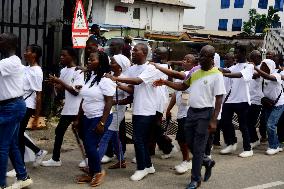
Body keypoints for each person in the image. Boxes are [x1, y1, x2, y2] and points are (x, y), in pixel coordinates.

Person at [154, 45, 226, 189]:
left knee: (198, 147)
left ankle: (195, 179)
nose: (200, 58)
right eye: (200, 55)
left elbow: (219, 99)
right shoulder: (195, 72)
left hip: (206, 114)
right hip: (191, 112)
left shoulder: (217, 74)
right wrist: (165, 82)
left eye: (204, 55)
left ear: (211, 58)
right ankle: (206, 161)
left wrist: (213, 120)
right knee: (187, 141)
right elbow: (182, 86)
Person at [106, 43, 161, 181]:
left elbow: (137, 81)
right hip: (138, 108)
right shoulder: (132, 68)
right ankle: (148, 166)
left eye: (136, 50)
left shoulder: (150, 68)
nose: (132, 52)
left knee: (139, 140)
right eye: (132, 50)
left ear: (144, 52)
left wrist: (116, 79)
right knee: (141, 139)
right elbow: (131, 89)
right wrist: (118, 84)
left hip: (147, 109)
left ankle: (141, 169)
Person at [74, 51, 115, 187]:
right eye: (88, 60)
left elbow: (109, 102)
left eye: (92, 60)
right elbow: (84, 99)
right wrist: (78, 118)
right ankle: (92, 171)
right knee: (87, 144)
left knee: (91, 145)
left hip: (100, 117)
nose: (89, 62)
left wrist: (102, 122)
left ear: (101, 62)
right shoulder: (91, 77)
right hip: (87, 116)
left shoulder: (106, 80)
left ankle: (98, 172)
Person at [0, 33, 33, 189]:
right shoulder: (10, 62)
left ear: (9, 45)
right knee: (12, 144)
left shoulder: (10, 62)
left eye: (1, 39)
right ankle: (23, 177)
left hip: (10, 107)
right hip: (11, 106)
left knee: (2, 146)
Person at [42, 47, 84, 167]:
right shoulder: (64, 70)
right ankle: (55, 159)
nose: (61, 57)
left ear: (72, 57)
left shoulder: (78, 72)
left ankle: (88, 158)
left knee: (82, 134)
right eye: (61, 55)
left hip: (77, 108)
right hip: (68, 107)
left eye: (64, 55)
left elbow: (75, 91)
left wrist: (60, 82)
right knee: (59, 131)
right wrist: (55, 84)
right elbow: (62, 88)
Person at [164, 54, 197, 174]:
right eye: (183, 59)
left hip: (189, 112)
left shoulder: (192, 74)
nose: (184, 61)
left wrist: (164, 79)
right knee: (184, 139)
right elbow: (175, 94)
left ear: (194, 64)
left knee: (182, 138)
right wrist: (168, 109)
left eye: (188, 60)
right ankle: (196, 158)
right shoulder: (181, 75)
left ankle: (187, 160)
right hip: (181, 112)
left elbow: (179, 85)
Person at [219, 44, 254, 158]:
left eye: (237, 53)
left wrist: (224, 73)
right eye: (235, 53)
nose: (235, 55)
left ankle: (248, 149)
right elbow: (227, 69)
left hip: (243, 100)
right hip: (230, 100)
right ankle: (231, 143)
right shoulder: (235, 65)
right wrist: (216, 68)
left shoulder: (249, 66)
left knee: (243, 126)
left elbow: (238, 75)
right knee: (224, 121)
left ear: (244, 53)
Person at [98, 54, 131, 169]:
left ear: (120, 67)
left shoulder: (125, 78)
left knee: (105, 137)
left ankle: (94, 165)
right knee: (114, 137)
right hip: (108, 112)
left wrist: (114, 101)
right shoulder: (109, 75)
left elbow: (129, 98)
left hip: (117, 112)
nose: (110, 64)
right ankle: (121, 160)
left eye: (113, 62)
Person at [254, 59, 284, 155]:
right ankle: (277, 145)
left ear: (270, 67)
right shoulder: (262, 76)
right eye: (262, 66)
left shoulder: (276, 75)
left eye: (264, 66)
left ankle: (273, 147)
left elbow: (268, 77)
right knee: (268, 125)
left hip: (278, 104)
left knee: (270, 125)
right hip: (268, 104)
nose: (262, 68)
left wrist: (255, 68)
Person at [247, 50, 264, 149]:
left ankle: (254, 140)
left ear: (259, 57)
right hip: (249, 99)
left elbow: (255, 76)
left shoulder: (262, 67)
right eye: (251, 58)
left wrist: (252, 67)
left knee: (250, 122)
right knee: (247, 122)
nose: (252, 60)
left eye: (254, 58)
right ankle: (254, 139)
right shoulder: (250, 67)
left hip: (257, 100)